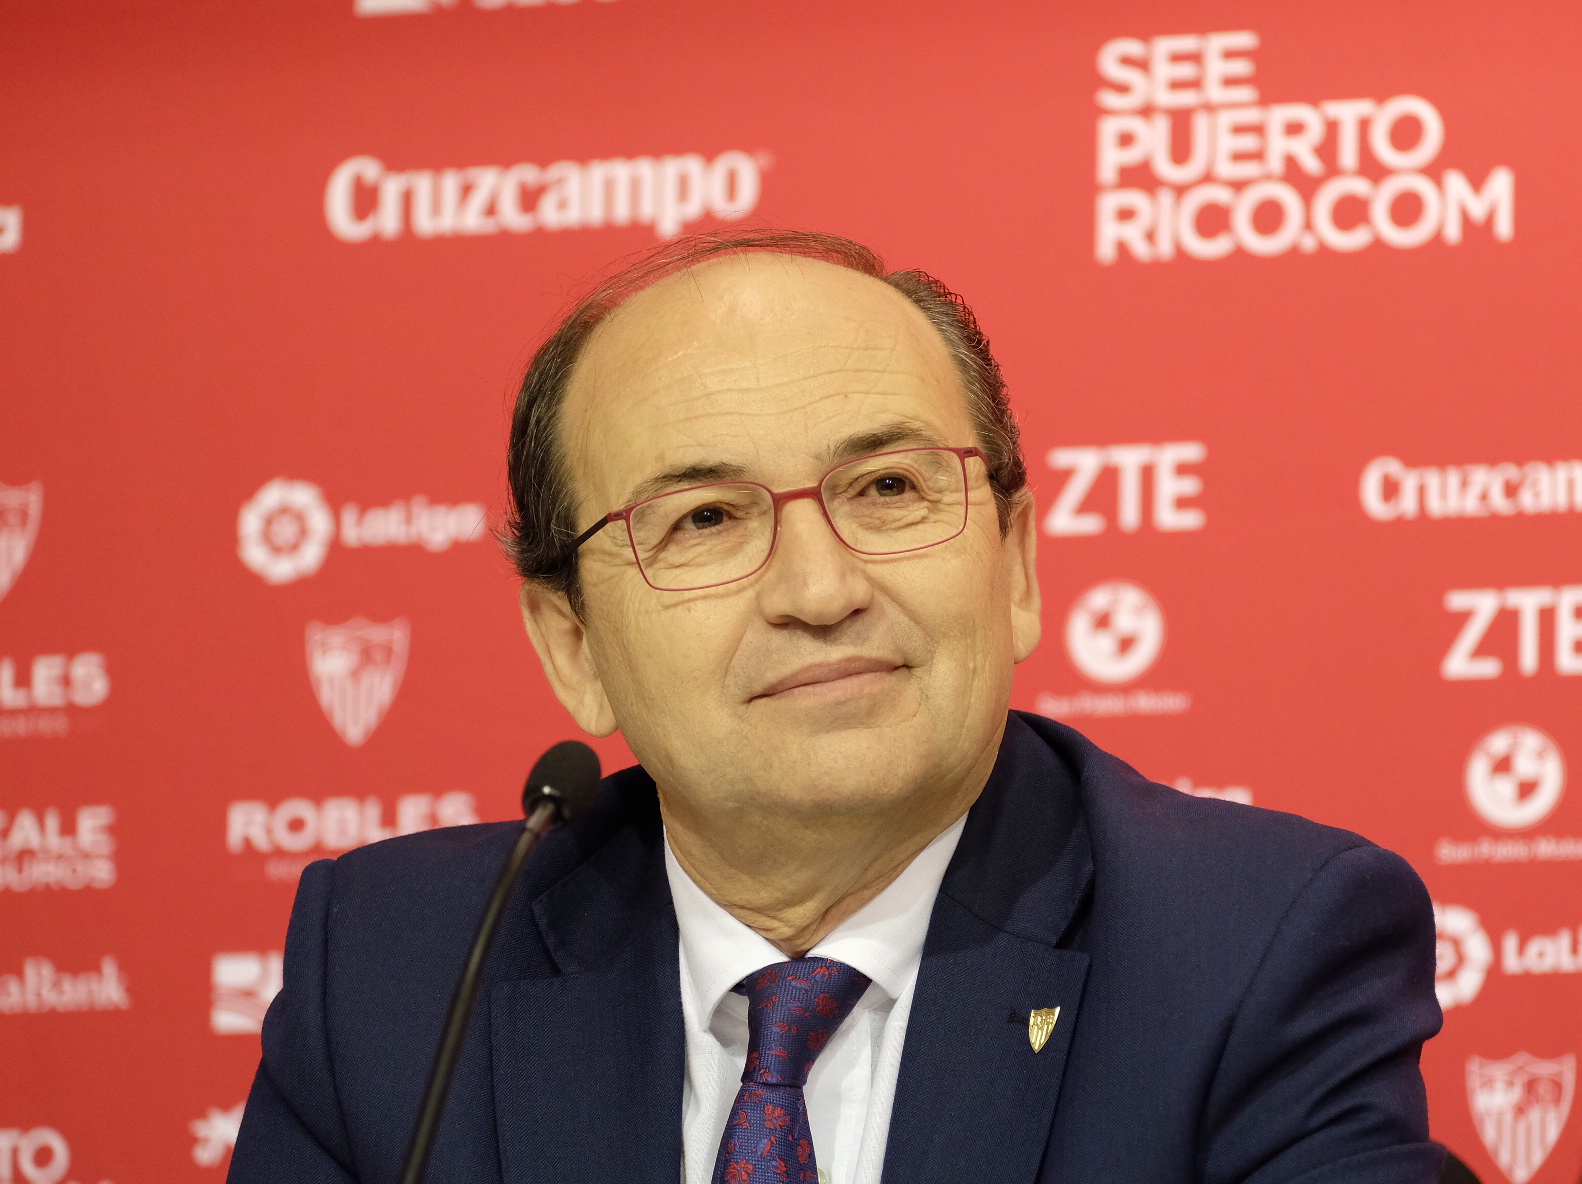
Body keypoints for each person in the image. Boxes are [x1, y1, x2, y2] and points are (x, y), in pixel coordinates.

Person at [230, 230, 1444, 1184]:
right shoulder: (395, 973)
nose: (820, 588)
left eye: (889, 487)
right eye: (704, 517)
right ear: (572, 644)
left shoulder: (1253, 953)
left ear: (1016, 563)